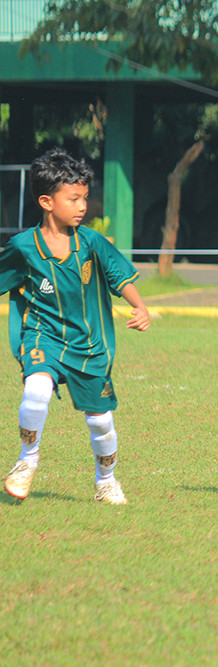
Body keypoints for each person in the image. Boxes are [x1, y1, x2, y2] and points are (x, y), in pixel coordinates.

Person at [0, 148, 150, 504]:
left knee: (100, 421)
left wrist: (140, 306)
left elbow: (119, 277)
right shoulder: (23, 247)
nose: (83, 206)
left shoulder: (92, 243)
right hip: (43, 335)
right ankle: (26, 460)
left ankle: (106, 481)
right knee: (36, 389)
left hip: (88, 343)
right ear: (46, 201)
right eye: (74, 198)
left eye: (85, 197)